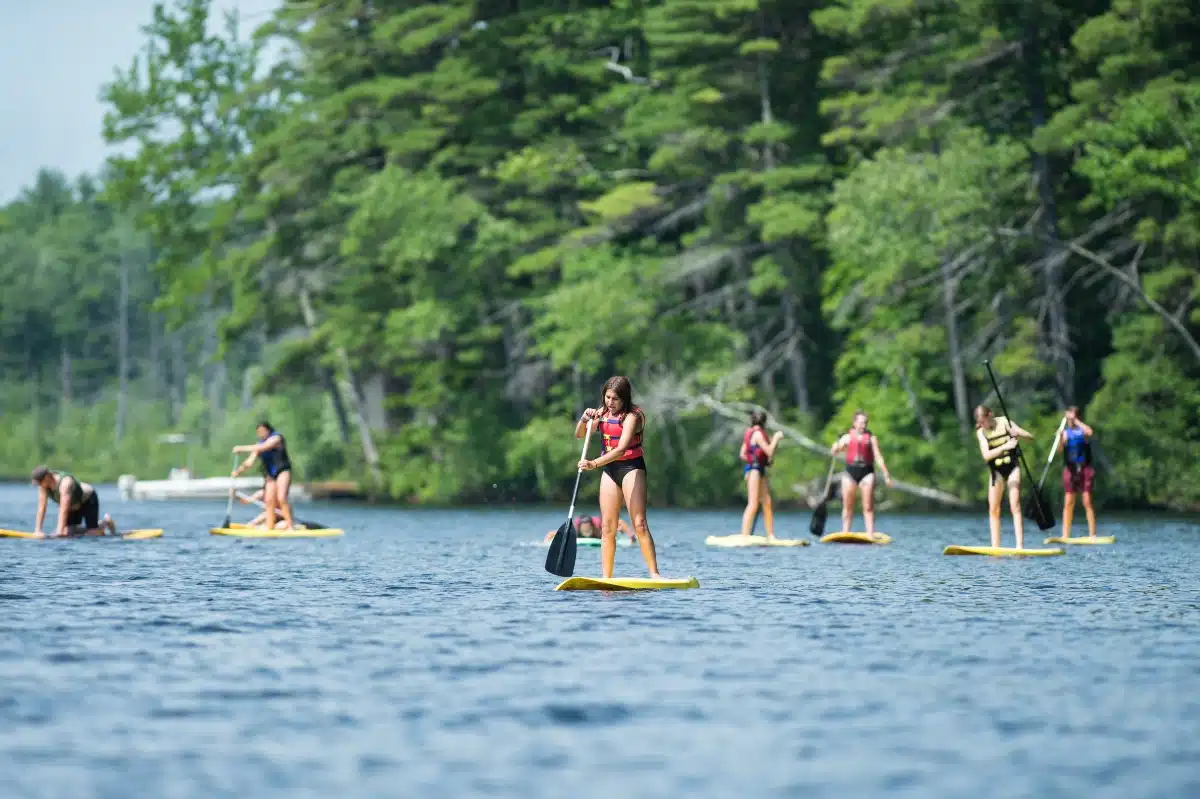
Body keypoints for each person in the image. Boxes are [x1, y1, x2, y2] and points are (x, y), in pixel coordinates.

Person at [576, 376, 662, 579]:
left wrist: (594, 463)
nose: (610, 402)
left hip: (631, 467)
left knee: (639, 523)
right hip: (610, 470)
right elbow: (580, 434)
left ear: (624, 399)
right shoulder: (602, 414)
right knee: (607, 527)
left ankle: (655, 574)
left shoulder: (633, 416)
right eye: (607, 397)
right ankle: (607, 577)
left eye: (615, 399)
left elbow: (622, 448)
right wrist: (584, 419)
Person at [975, 405, 1035, 548]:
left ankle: (1019, 546)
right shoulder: (981, 432)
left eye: (984, 421)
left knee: (1015, 504)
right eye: (980, 423)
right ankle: (995, 546)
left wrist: (1018, 433)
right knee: (994, 508)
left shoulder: (1005, 422)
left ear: (990, 415)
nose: (982, 425)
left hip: (1012, 467)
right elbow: (986, 456)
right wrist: (1005, 446)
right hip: (996, 471)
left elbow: (1030, 437)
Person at [829, 410, 892, 535]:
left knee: (868, 507)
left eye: (865, 423)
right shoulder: (847, 437)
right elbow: (836, 451)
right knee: (847, 506)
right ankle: (845, 532)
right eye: (861, 422)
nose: (863, 425)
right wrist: (834, 447)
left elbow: (878, 457)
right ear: (854, 423)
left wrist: (886, 474)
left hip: (867, 473)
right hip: (850, 473)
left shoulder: (872, 438)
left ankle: (870, 533)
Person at [232, 421, 294, 531]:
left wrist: (241, 448)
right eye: (259, 432)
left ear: (268, 430)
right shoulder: (259, 445)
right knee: (269, 500)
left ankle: (290, 526)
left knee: (281, 497)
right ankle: (269, 527)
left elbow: (265, 446)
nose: (261, 433)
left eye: (263, 431)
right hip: (270, 475)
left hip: (282, 471)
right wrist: (238, 471)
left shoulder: (276, 438)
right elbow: (249, 462)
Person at [31, 466, 117, 537]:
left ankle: (106, 522)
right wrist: (38, 530)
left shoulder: (65, 483)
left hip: (87, 500)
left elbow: (64, 508)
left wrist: (59, 531)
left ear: (47, 477)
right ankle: (85, 529)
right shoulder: (43, 487)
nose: (39, 485)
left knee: (93, 533)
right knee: (68, 532)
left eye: (40, 482)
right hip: (72, 506)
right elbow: (42, 508)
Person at [738, 410, 785, 537]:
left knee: (767, 502)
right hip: (754, 470)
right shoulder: (758, 434)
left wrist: (755, 460)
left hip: (758, 469)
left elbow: (742, 454)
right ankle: (745, 534)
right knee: (753, 503)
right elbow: (769, 451)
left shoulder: (750, 433)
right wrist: (775, 439)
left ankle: (770, 534)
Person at [1059, 406, 1097, 538]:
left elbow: (1090, 432)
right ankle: (1065, 535)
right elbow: (1059, 450)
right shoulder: (1065, 433)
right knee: (1068, 502)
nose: (1070, 421)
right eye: (1069, 418)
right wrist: (1059, 438)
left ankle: (1092, 534)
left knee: (1087, 501)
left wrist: (1076, 420)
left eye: (1073, 417)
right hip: (1070, 469)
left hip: (1085, 468)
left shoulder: (1083, 431)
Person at [544, 514, 635, 542]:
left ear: (592, 526)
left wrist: (631, 536)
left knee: (616, 528)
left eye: (588, 527)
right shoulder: (574, 530)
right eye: (584, 527)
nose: (587, 529)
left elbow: (620, 522)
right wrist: (547, 543)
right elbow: (551, 534)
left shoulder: (599, 527)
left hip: (601, 529)